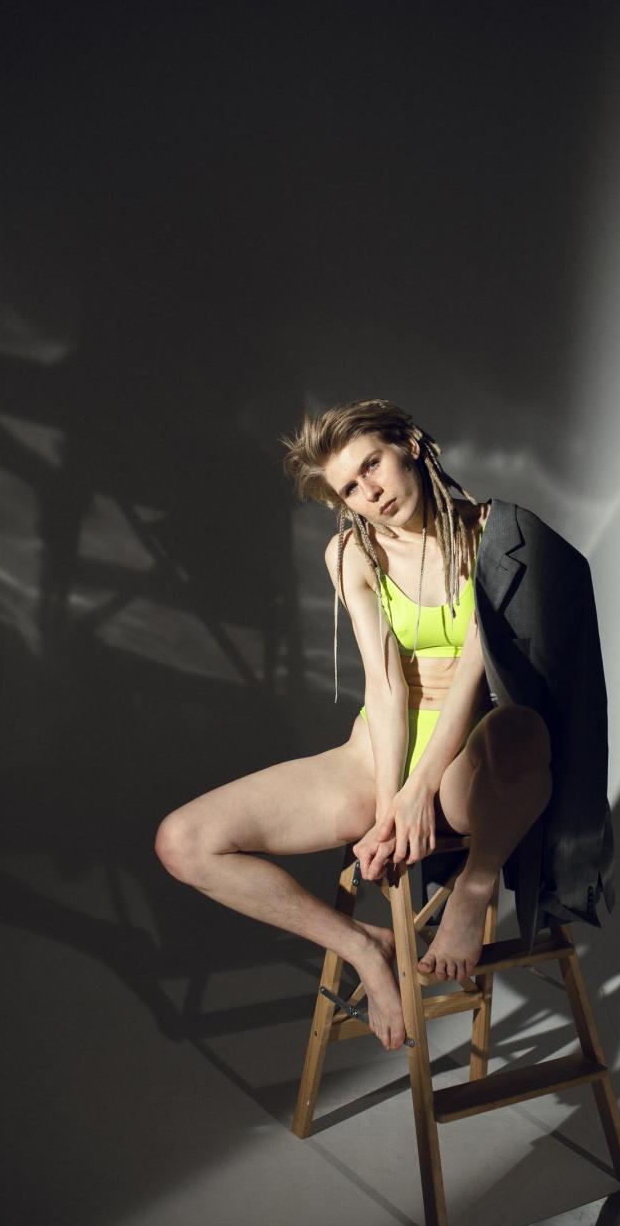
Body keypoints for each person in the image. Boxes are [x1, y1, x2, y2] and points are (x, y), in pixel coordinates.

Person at [155, 400, 570, 1051]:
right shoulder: (353, 552)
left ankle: (475, 884)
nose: (369, 492)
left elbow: (475, 672)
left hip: (474, 756)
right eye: (349, 487)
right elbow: (385, 687)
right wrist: (386, 806)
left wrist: (419, 793)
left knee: (521, 730)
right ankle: (361, 946)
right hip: (378, 751)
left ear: (409, 445)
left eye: (371, 465)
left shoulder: (497, 534)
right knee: (183, 842)